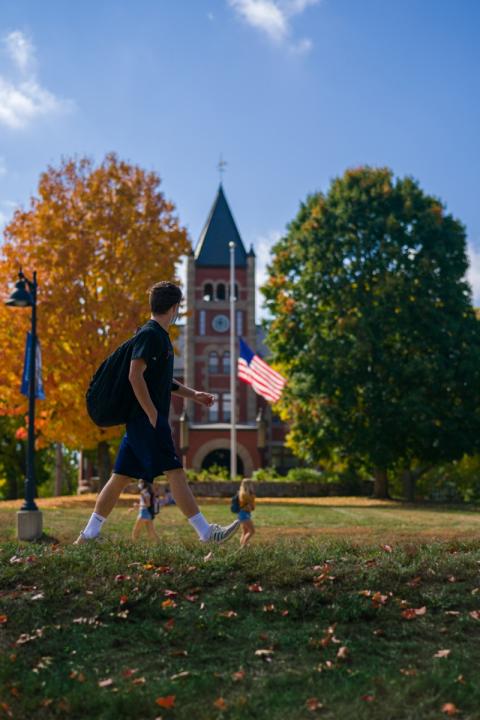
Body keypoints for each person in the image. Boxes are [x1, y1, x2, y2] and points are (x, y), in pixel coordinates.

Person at [75, 281, 239, 545]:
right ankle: (207, 533)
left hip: (141, 421)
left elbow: (163, 382)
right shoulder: (151, 335)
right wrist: (152, 414)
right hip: (147, 420)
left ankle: (88, 535)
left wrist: (194, 395)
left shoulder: (158, 337)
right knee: (175, 472)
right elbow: (134, 375)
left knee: (118, 478)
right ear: (174, 308)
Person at [238, 479, 256, 547]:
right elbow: (251, 503)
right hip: (244, 514)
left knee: (245, 532)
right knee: (252, 531)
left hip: (243, 514)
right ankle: (243, 546)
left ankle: (242, 546)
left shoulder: (242, 492)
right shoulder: (245, 493)